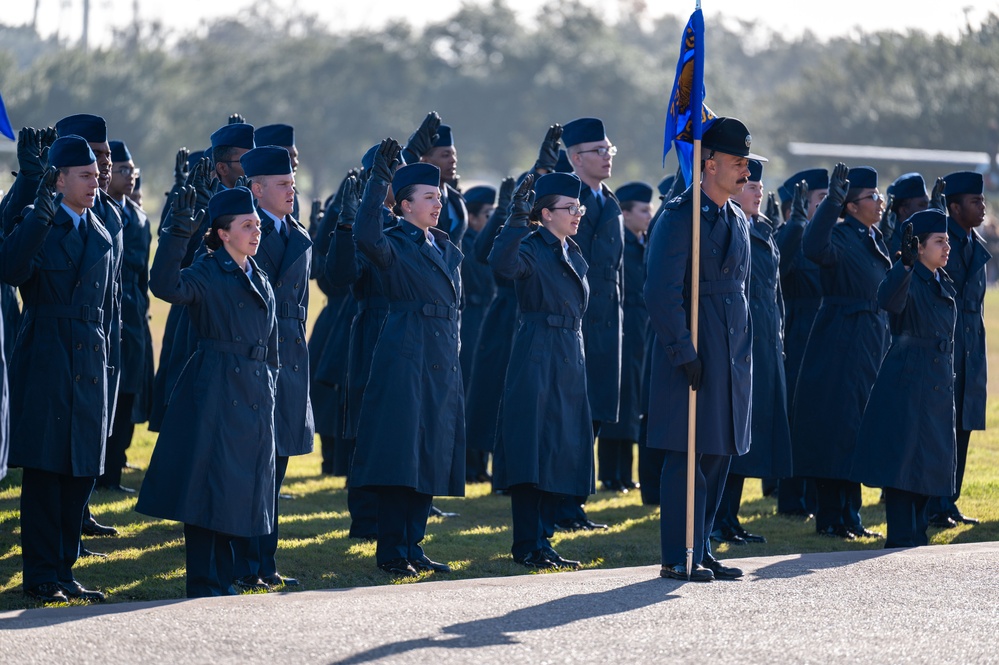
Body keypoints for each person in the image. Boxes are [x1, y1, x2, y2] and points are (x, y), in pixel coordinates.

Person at [137, 186, 278, 598]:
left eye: (258, 224)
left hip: (253, 389)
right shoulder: (208, 269)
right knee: (205, 487)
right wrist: (176, 233)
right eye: (247, 225)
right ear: (222, 233)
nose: (256, 232)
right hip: (215, 387)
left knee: (236, 489)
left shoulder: (259, 274)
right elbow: (165, 286)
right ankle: (203, 581)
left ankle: (224, 578)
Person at [645, 117, 762, 582]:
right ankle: (679, 552)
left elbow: (742, 287)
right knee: (686, 455)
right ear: (709, 164)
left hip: (732, 348)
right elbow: (661, 293)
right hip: (696, 346)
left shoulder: (735, 215)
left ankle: (704, 545)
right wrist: (683, 350)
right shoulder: (680, 216)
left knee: (719, 451)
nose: (747, 173)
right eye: (738, 163)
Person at [2, 138, 115, 603]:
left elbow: (107, 307)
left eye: (95, 174)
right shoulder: (40, 222)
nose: (95, 182)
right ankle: (42, 575)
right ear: (60, 179)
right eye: (84, 175)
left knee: (80, 474)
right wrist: (37, 215)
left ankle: (65, 570)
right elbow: (9, 269)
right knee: (47, 474)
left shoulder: (102, 230)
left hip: (90, 360)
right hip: (48, 354)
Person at [348, 140, 465, 577]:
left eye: (439, 196)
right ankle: (392, 550)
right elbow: (364, 235)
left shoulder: (445, 247)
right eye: (429, 197)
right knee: (401, 454)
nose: (438, 203)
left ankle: (414, 545)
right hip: (406, 353)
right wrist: (378, 180)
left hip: (440, 357)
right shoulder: (394, 242)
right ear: (404, 206)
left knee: (430, 450)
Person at [488, 172, 593, 570]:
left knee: (560, 448)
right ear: (546, 214)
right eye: (570, 209)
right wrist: (515, 218)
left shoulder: (570, 249)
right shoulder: (531, 247)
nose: (577, 214)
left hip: (569, 354)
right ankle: (527, 543)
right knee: (532, 448)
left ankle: (544, 539)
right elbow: (502, 264)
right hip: (538, 352)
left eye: (579, 208)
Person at [792, 164, 891, 540]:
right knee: (835, 428)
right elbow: (812, 246)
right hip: (839, 340)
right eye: (871, 197)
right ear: (852, 206)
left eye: (879, 196)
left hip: (868, 341)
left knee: (857, 429)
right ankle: (830, 515)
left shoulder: (871, 237)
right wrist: (832, 201)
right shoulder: (839, 234)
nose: (879, 202)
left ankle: (851, 514)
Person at [230, 145, 313, 590]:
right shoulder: (246, 233)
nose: (291, 191)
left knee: (275, 469)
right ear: (256, 189)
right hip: (255, 357)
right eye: (282, 185)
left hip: (291, 362)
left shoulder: (298, 233)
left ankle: (265, 562)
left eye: (292, 184)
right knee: (250, 467)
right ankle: (243, 563)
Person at [852, 210, 956, 548]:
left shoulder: (941, 279)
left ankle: (917, 538)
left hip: (935, 383)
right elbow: (887, 300)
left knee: (928, 466)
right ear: (919, 247)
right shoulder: (910, 276)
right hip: (908, 381)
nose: (946, 247)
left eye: (947, 240)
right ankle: (900, 538)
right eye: (939, 241)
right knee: (902, 464)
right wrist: (905, 266)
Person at [714, 159, 792, 545]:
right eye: (749, 185)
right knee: (733, 432)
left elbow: (773, 290)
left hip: (766, 340)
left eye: (760, 185)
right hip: (742, 341)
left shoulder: (762, 228)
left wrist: (779, 331)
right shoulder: (730, 226)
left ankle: (730, 517)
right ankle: (717, 517)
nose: (758, 190)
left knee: (753, 434)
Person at [558, 116, 623, 531]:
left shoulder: (610, 201)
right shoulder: (565, 197)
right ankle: (561, 505)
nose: (607, 157)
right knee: (569, 418)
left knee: (595, 415)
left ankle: (575, 503)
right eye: (598, 151)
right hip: (574, 321)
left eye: (609, 150)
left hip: (607, 325)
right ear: (576, 158)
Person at [926, 171, 990, 527]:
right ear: (954, 207)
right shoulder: (943, 242)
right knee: (940, 427)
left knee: (962, 426)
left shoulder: (974, 243)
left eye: (981, 200)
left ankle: (949, 501)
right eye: (974, 201)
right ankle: (933, 504)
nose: (982, 207)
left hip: (970, 345)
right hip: (946, 344)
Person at [98, 140, 153, 493]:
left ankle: (116, 467)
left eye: (132, 171)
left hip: (135, 310)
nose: (128, 177)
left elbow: (144, 275)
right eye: (122, 170)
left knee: (130, 387)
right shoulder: (100, 210)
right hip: (108, 307)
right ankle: (103, 470)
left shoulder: (140, 218)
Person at [773, 168, 828, 519]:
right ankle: (792, 497)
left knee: (821, 416)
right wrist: (794, 227)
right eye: (821, 201)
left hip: (824, 332)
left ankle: (817, 495)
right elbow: (778, 267)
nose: (829, 208)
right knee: (795, 416)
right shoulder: (788, 236)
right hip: (797, 331)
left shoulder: (830, 239)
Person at [596, 181, 653, 493]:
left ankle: (625, 472)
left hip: (641, 325)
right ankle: (609, 472)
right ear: (626, 213)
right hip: (622, 324)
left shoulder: (645, 244)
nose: (648, 216)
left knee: (634, 401)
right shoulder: (622, 246)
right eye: (643, 210)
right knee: (617, 396)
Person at [459, 184, 497, 483]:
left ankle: (481, 463)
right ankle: (470, 463)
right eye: (487, 215)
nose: (490, 220)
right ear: (471, 218)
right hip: (471, 318)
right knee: (471, 389)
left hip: (487, 315)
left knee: (486, 392)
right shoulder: (468, 243)